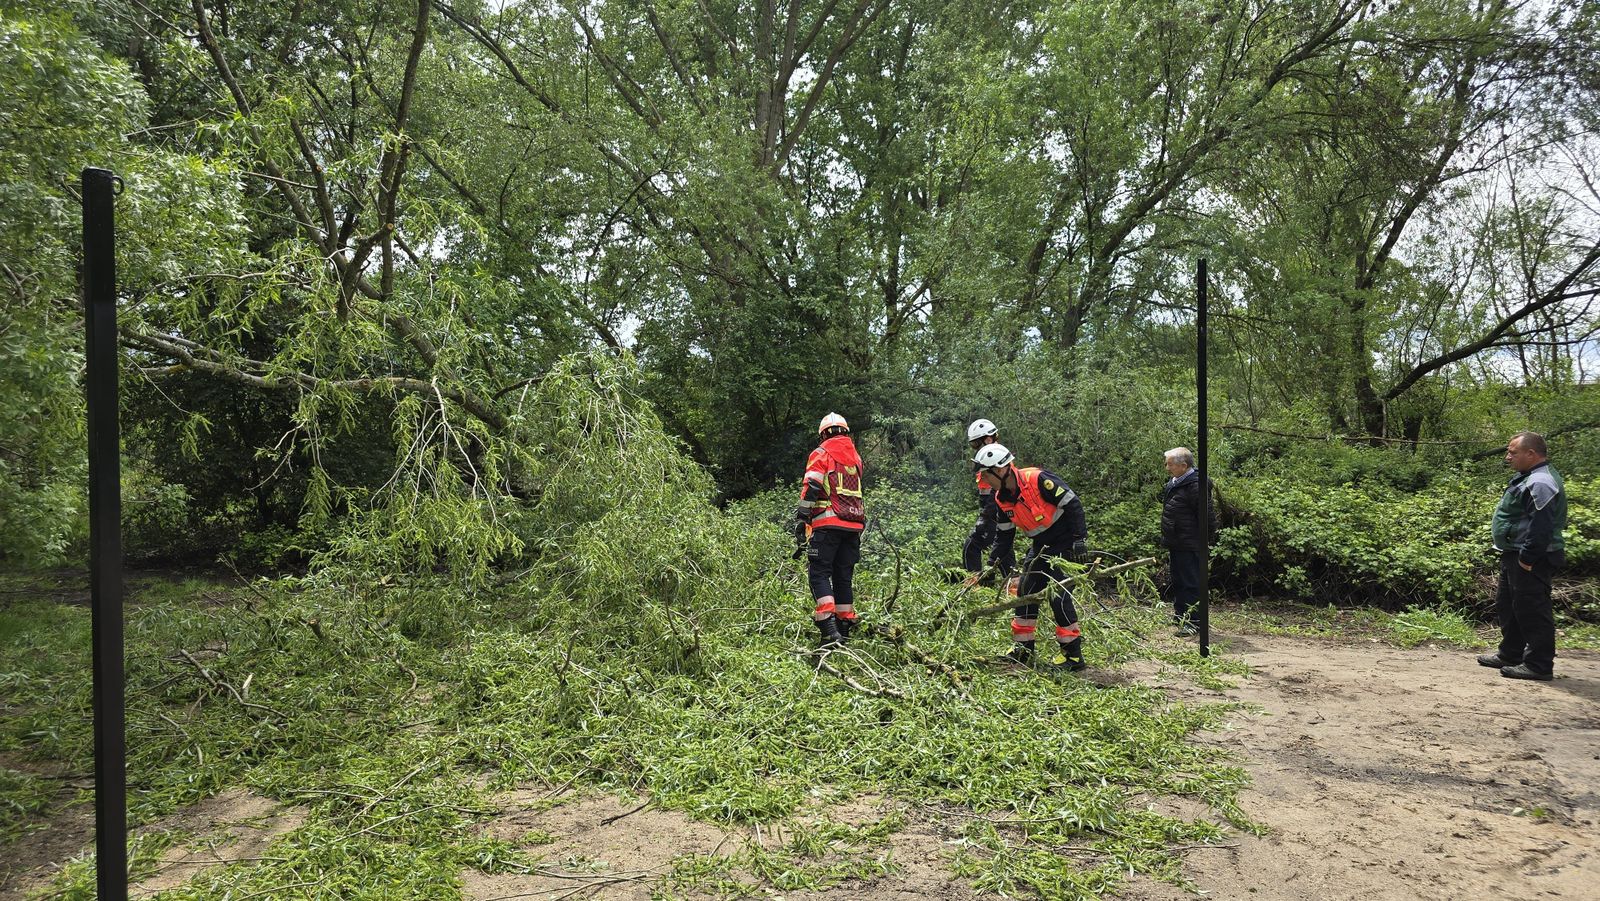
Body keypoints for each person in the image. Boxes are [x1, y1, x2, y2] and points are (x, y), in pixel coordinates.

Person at [973, 443, 1089, 670]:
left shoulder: (1037, 479)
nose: (985, 481)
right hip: (1041, 545)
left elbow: (1073, 504)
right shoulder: (1001, 499)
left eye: (987, 474)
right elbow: (1004, 537)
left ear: (1002, 469)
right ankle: (1023, 650)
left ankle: (1072, 656)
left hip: (1065, 543)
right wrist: (990, 566)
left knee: (1058, 596)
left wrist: (1079, 539)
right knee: (1026, 592)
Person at [1477, 431, 1566, 681]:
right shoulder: (1528, 477)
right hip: (1514, 552)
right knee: (1509, 605)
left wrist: (1528, 558)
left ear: (1531, 454)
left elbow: (1542, 527)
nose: (1508, 457)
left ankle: (1539, 665)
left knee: (1532, 609)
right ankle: (1510, 654)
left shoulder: (1541, 482)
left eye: (1512, 452)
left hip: (1532, 557)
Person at [795, 413, 866, 648]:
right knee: (843, 577)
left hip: (827, 525)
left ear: (823, 434)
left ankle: (828, 629)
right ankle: (844, 627)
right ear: (845, 431)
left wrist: (802, 517)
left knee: (819, 573)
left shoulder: (821, 453)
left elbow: (812, 485)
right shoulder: (855, 457)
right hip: (854, 527)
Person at [1159, 447, 1219, 637]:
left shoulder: (1196, 485)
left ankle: (1194, 622)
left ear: (1183, 466)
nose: (1166, 468)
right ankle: (1181, 615)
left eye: (1169, 464)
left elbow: (1206, 516)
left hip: (1190, 542)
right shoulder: (1177, 481)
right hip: (1177, 541)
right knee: (1179, 580)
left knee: (1191, 582)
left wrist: (1203, 542)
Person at [961, 419, 1015, 583]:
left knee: (972, 546)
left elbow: (997, 491)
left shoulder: (997, 458)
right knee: (1003, 548)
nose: (976, 447)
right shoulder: (986, 458)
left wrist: (985, 517)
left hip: (996, 510)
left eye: (977, 443)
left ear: (988, 438)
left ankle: (975, 586)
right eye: (974, 444)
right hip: (993, 510)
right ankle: (1011, 585)